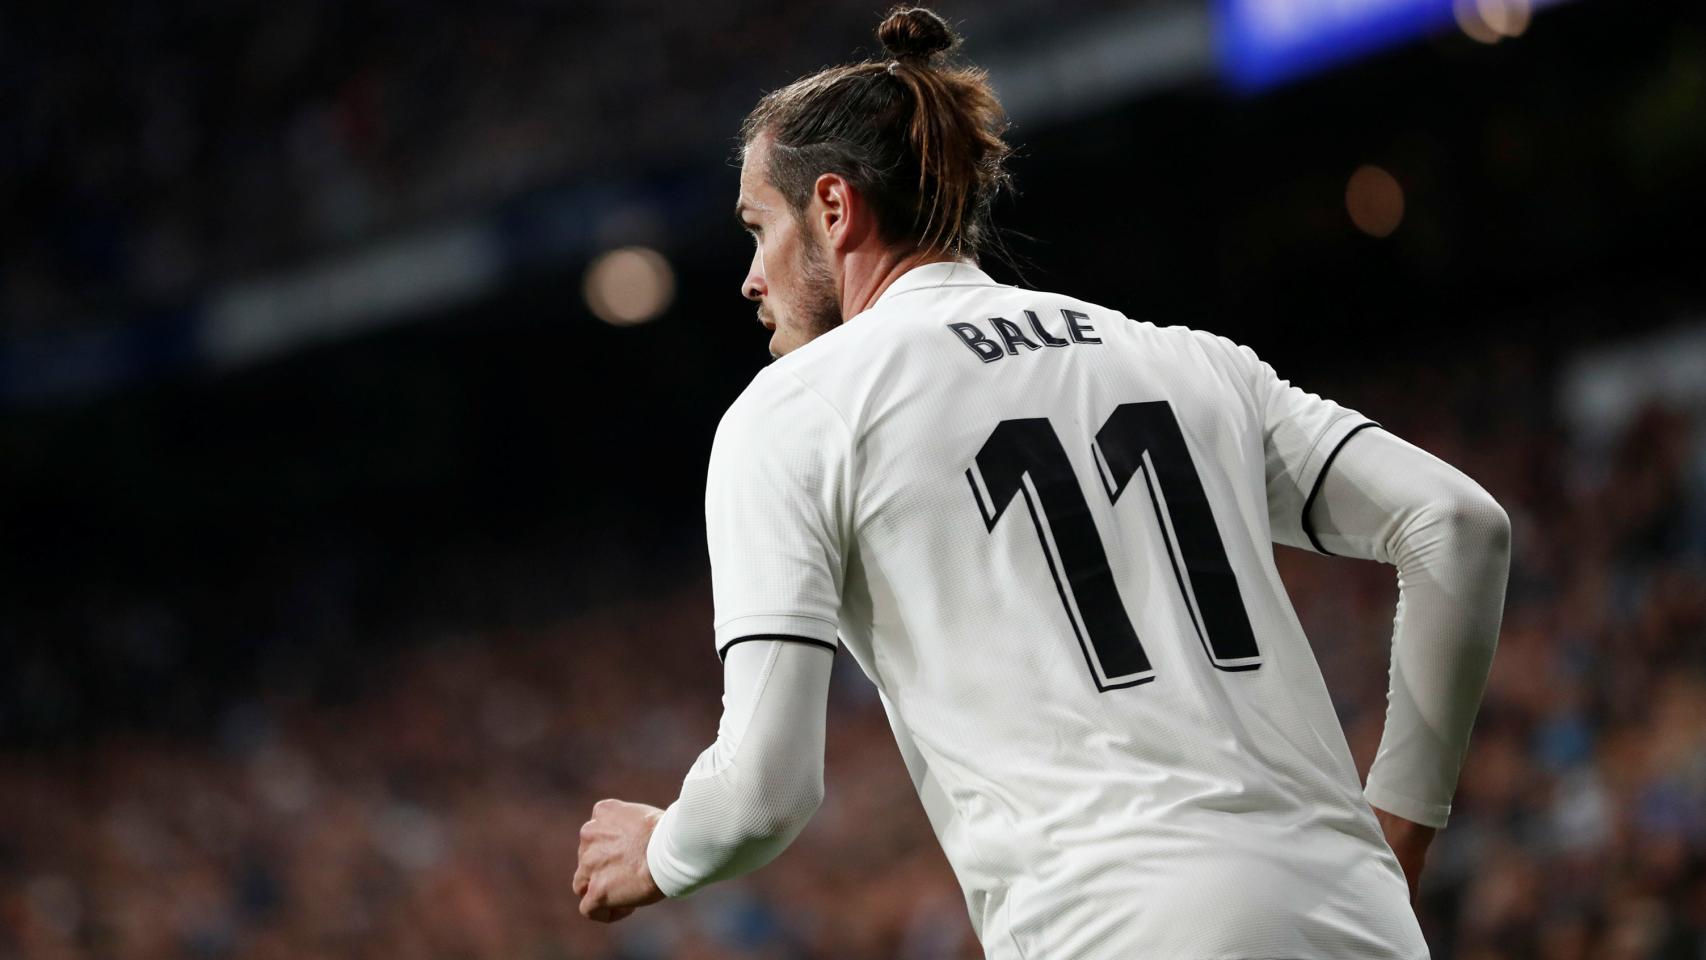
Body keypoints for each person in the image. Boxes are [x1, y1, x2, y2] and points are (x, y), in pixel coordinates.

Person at [573, 7, 1510, 957]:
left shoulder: (798, 410)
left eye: (756, 228)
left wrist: (660, 850)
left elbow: (763, 796)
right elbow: (1459, 525)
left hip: (1115, 924)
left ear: (832, 207)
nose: (749, 279)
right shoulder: (1185, 359)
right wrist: (1401, 817)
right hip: (1355, 913)